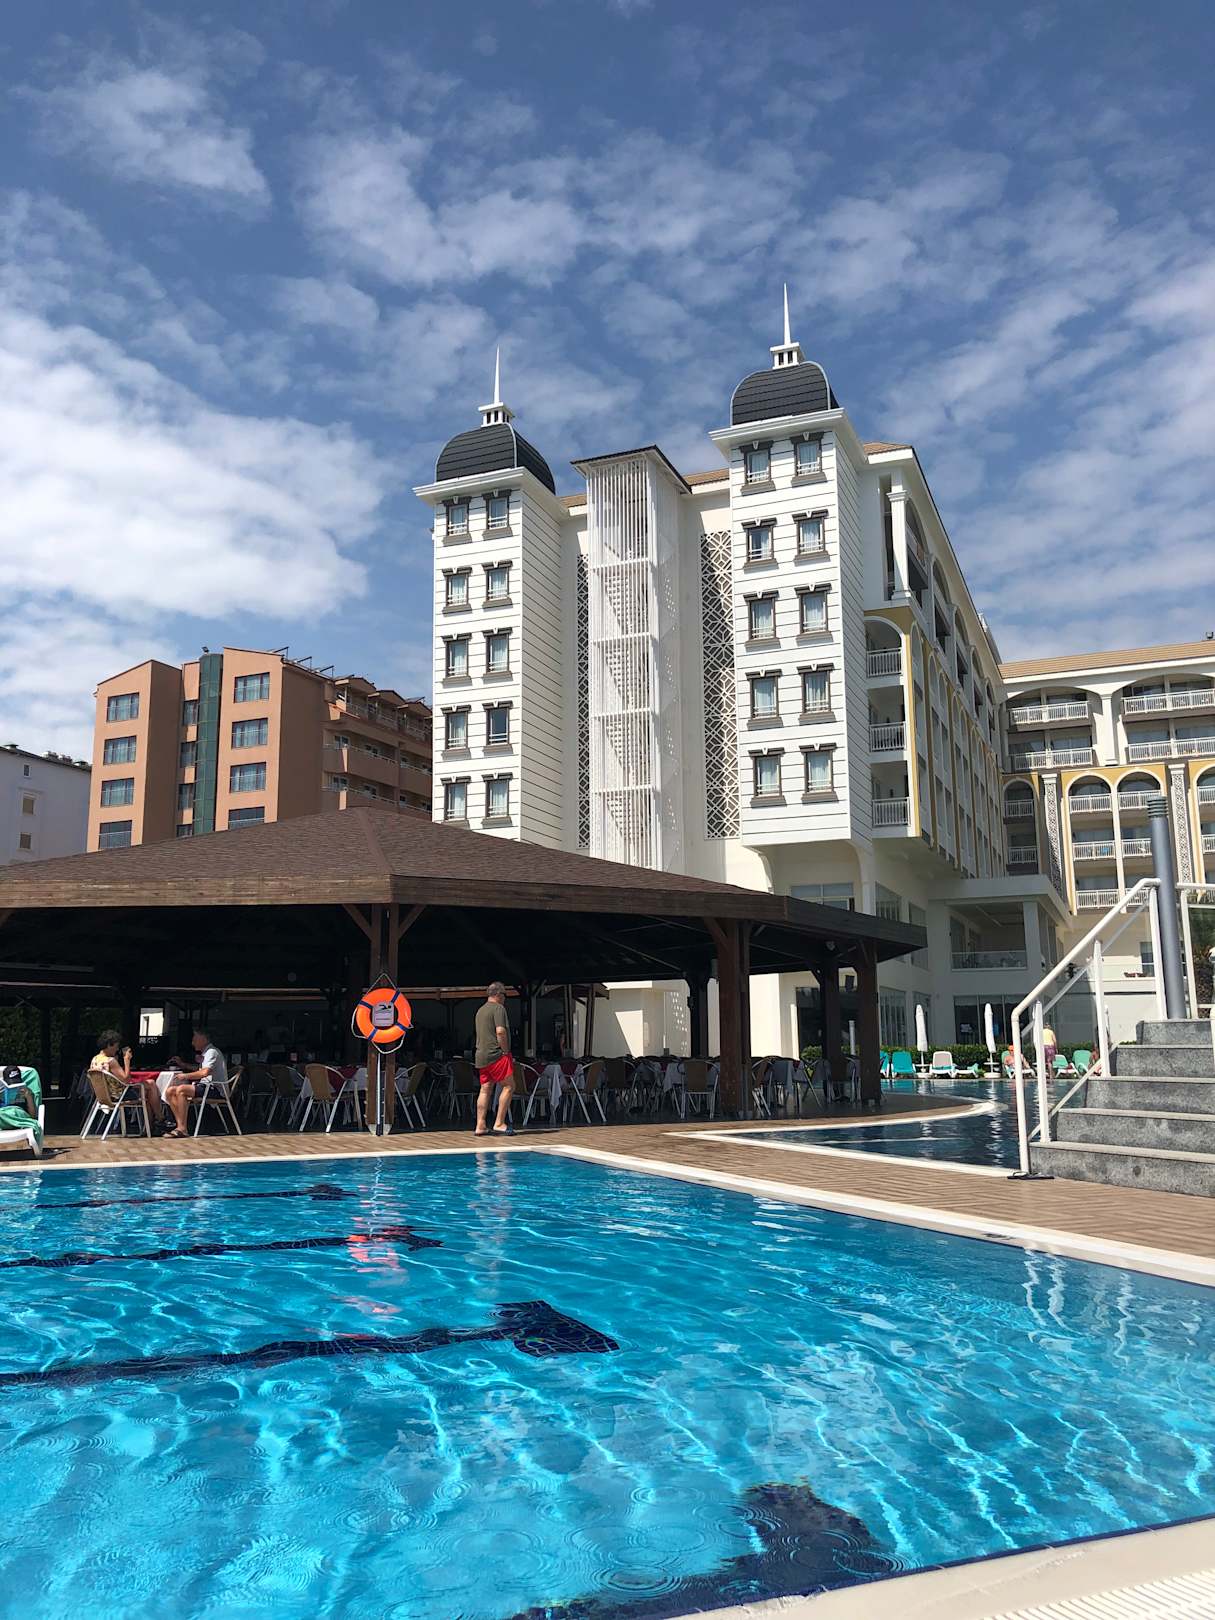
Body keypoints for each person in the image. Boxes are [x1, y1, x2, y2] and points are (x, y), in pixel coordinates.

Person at [90, 1029, 169, 1133]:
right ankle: (160, 1119)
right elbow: (126, 1080)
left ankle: (151, 1126)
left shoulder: (95, 1059)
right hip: (119, 1095)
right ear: (109, 1045)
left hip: (104, 1095)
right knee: (150, 1085)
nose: (117, 1049)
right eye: (116, 1046)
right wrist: (127, 1060)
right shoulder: (110, 1061)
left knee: (148, 1089)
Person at [163, 1029, 228, 1139]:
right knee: (170, 1091)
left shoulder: (212, 1052)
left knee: (181, 1090)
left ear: (203, 1039)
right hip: (206, 1086)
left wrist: (185, 1076)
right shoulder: (206, 1052)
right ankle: (181, 1126)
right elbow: (199, 1069)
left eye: (195, 1039)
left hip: (215, 1089)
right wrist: (183, 1064)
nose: (192, 1042)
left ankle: (182, 1128)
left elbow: (204, 1072)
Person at [474, 982, 515, 1137]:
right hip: (496, 1054)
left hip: (481, 1055)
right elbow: (500, 1031)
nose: (505, 998)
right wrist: (505, 1051)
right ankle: (499, 1123)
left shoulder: (480, 1010)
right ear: (498, 994)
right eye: (504, 995)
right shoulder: (498, 1009)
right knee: (509, 1086)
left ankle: (480, 1125)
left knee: (485, 1089)